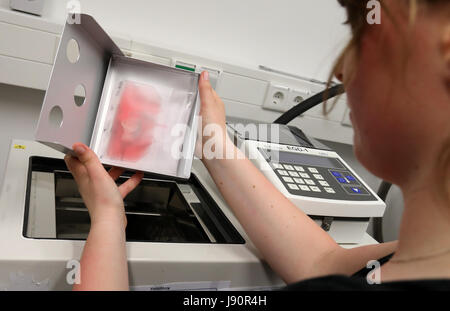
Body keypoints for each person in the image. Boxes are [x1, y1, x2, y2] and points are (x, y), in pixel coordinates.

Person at [65, 0, 450, 290]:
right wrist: (212, 142)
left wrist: (108, 218)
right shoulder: (410, 258)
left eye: (361, 29)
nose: (339, 70)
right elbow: (324, 262)